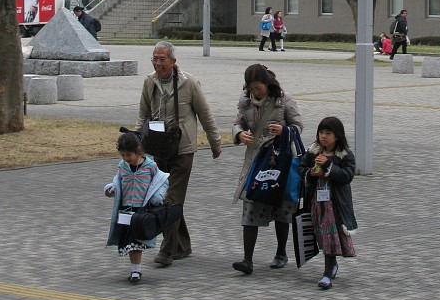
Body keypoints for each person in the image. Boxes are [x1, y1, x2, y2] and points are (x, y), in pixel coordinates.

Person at [135, 42, 221, 267]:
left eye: (162, 59)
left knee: (171, 199)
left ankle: (167, 250)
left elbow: (205, 114)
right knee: (167, 196)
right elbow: (142, 115)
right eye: (155, 58)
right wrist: (138, 144)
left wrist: (215, 143)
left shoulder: (188, 83)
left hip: (183, 149)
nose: (158, 63)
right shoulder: (149, 82)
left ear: (173, 61)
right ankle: (183, 244)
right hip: (158, 147)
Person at [232, 63, 303, 275]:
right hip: (255, 160)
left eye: (259, 88)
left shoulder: (284, 99)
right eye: (252, 88)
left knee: (282, 208)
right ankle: (247, 260)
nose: (255, 92)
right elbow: (237, 123)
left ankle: (281, 252)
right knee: (251, 204)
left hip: (280, 159)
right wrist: (239, 134)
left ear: (267, 83)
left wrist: (283, 130)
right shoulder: (245, 102)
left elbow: (298, 126)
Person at [104, 130, 169, 283]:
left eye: (129, 155)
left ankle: (136, 270)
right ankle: (134, 268)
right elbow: (118, 183)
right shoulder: (123, 166)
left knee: (136, 242)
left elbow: (161, 181)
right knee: (128, 241)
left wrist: (157, 197)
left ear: (138, 151)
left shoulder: (150, 166)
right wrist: (111, 189)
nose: (126, 159)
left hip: (141, 211)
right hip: (125, 209)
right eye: (123, 155)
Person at [300, 116, 357, 290]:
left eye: (328, 133)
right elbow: (301, 169)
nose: (323, 136)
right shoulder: (313, 151)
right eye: (321, 132)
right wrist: (311, 173)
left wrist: (328, 165)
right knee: (321, 233)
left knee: (329, 233)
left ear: (337, 136)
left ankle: (327, 272)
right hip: (316, 202)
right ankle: (331, 265)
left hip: (335, 204)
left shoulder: (344, 155)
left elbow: (348, 176)